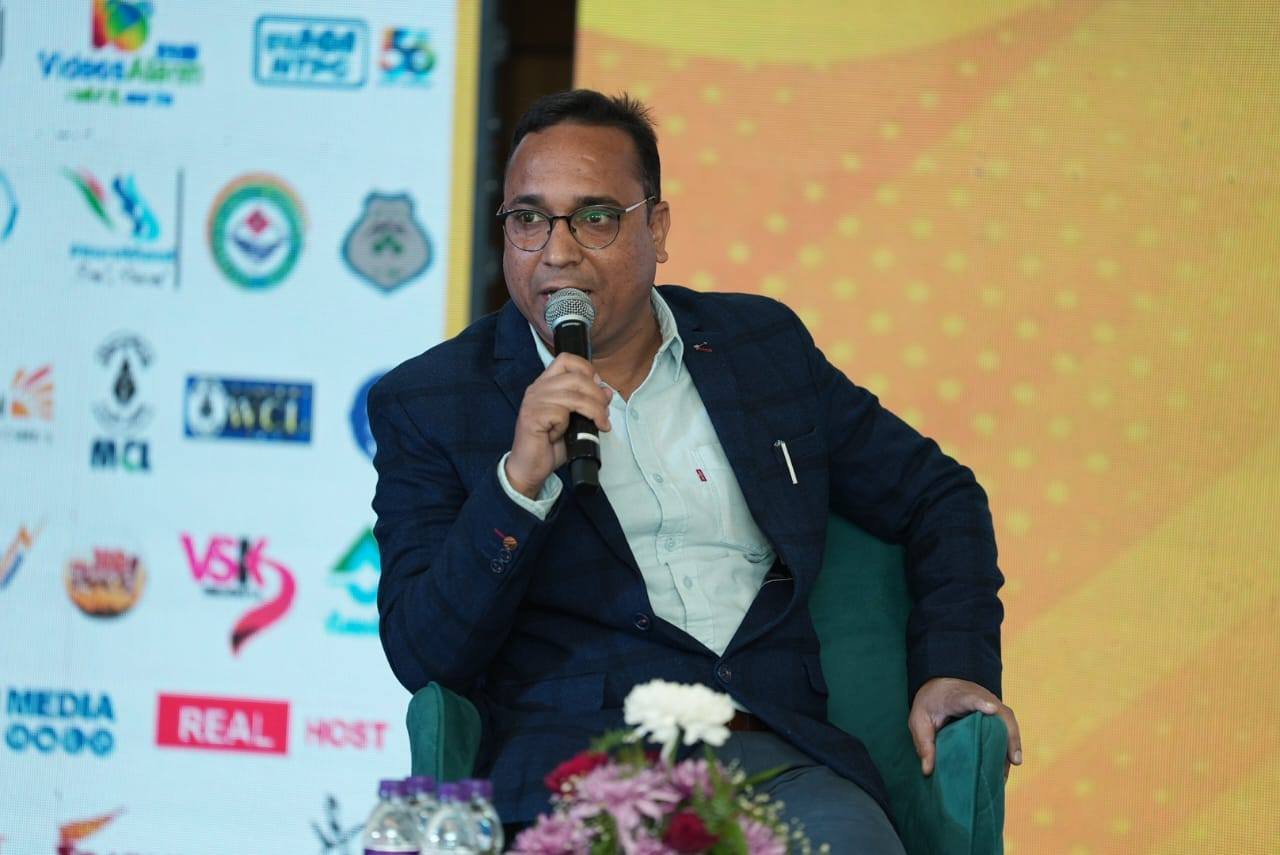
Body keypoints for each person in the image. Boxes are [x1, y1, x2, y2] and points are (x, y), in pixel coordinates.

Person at [369, 89, 1022, 853]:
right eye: (528, 220)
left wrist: (952, 665)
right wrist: (518, 485)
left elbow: (939, 495)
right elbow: (424, 653)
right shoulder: (433, 400)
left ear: (657, 227)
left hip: (776, 756)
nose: (557, 252)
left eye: (595, 217)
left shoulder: (760, 348)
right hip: (575, 773)